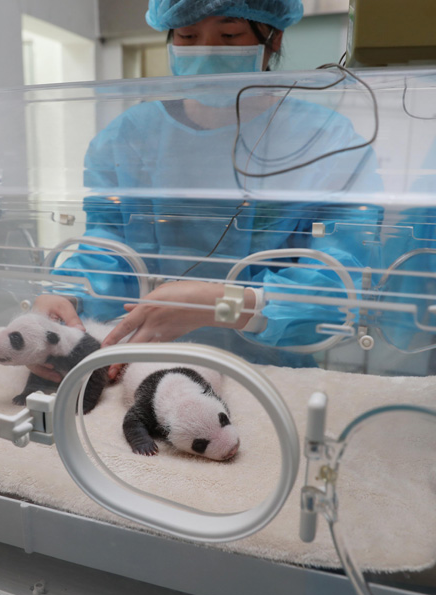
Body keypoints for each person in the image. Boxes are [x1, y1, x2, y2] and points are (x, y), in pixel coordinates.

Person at [29, 0, 383, 383]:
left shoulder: (325, 141)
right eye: (187, 35)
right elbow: (107, 248)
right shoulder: (129, 138)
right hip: (147, 364)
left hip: (271, 373)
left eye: (229, 35)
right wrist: (66, 298)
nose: (206, 50)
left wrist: (220, 306)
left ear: (274, 38)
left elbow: (341, 285)